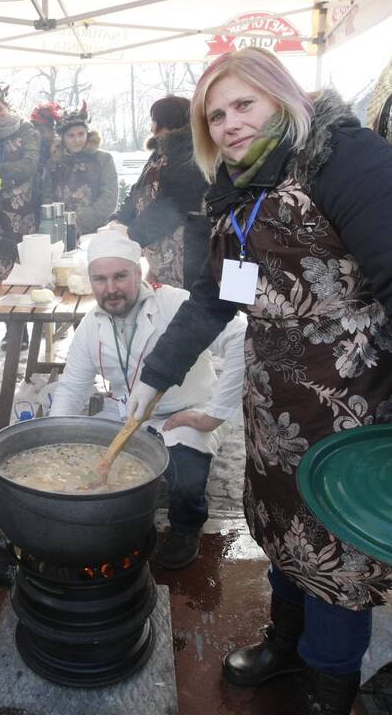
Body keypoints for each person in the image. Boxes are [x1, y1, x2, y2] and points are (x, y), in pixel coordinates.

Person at [125, 48, 392, 713]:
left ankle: (328, 687)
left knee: (335, 556)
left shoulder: (347, 159)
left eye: (243, 106)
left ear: (281, 97)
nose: (229, 124)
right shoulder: (236, 185)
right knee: (283, 529)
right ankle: (285, 645)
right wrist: (157, 374)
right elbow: (214, 295)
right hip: (276, 405)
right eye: (215, 115)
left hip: (357, 402)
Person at [48, 231, 245, 569]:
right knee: (85, 464)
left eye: (120, 276)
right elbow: (71, 388)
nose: (111, 288)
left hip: (185, 412)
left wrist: (213, 415)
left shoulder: (174, 303)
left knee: (185, 479)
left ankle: (186, 527)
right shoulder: (90, 326)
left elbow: (241, 336)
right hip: (126, 413)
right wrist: (52, 441)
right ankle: (113, 525)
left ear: (138, 274)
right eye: (100, 279)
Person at [109, 95, 209, 288]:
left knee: (181, 307)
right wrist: (118, 219)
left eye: (154, 120)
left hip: (185, 260)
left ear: (168, 122)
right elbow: (138, 191)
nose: (151, 127)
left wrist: (133, 234)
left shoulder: (189, 156)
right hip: (159, 257)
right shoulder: (160, 153)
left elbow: (174, 204)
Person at [0, 84, 41, 283]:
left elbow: (29, 165)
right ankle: (4, 311)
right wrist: (0, 180)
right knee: (4, 273)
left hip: (25, 210)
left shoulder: (25, 129)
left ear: (8, 107)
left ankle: (31, 313)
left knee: (28, 267)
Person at [40, 102, 118, 238]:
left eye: (81, 134)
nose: (77, 140)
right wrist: (57, 224)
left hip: (95, 230)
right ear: (63, 138)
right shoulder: (53, 164)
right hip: (59, 231)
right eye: (71, 135)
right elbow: (47, 197)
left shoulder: (103, 159)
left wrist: (79, 222)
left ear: (88, 134)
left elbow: (108, 200)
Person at [29, 101, 63, 181]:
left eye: (49, 129)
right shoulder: (30, 144)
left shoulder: (60, 148)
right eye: (40, 130)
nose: (45, 135)